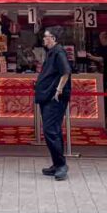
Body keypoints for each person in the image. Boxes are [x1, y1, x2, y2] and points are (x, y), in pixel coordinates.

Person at [36, 29, 72, 181]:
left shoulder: (59, 52)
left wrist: (59, 89)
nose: (43, 39)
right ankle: (57, 164)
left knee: (51, 130)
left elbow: (66, 72)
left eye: (46, 37)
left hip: (54, 98)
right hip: (47, 97)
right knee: (51, 131)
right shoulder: (51, 52)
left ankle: (61, 165)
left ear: (53, 38)